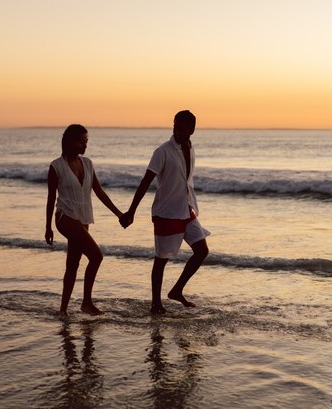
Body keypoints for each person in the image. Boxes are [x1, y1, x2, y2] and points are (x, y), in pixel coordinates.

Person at [120, 110, 210, 314]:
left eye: (182, 128)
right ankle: (155, 304)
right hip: (166, 212)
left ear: (192, 130)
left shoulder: (190, 147)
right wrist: (131, 211)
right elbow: (146, 182)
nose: (176, 131)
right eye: (174, 126)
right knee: (161, 259)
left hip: (187, 208)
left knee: (202, 251)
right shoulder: (162, 152)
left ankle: (177, 290)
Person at [45, 124, 123, 316]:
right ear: (70, 142)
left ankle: (63, 310)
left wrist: (119, 214)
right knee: (96, 256)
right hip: (65, 216)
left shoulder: (88, 163)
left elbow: (99, 192)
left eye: (86, 142)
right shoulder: (56, 166)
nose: (85, 146)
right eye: (82, 142)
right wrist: (48, 227)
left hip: (83, 217)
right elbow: (50, 199)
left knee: (73, 264)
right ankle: (86, 303)